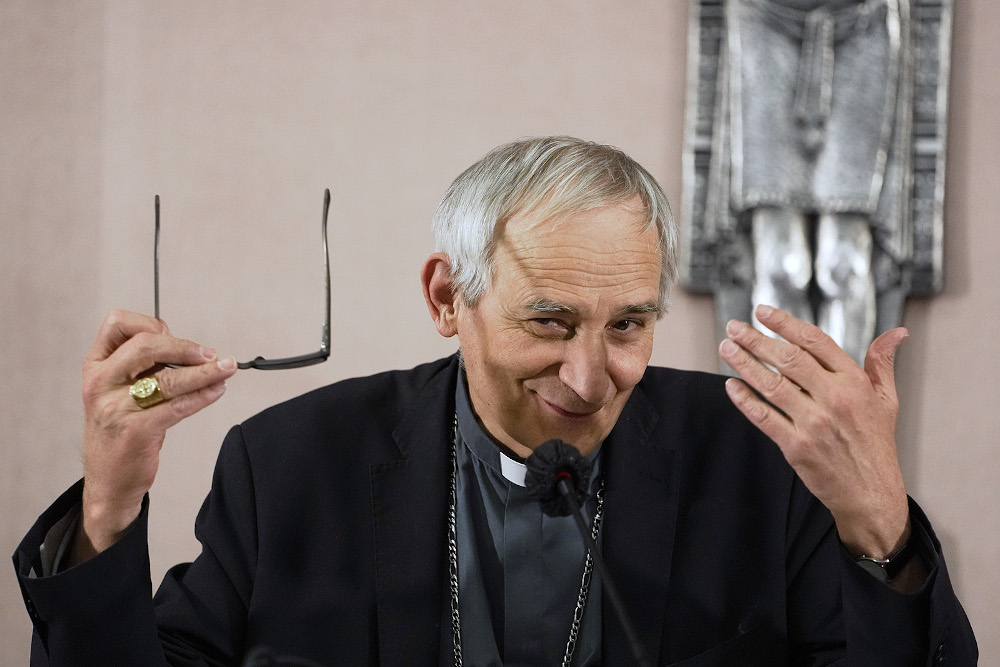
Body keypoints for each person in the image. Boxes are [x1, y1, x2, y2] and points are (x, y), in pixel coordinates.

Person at [14, 137, 976, 664]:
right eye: (552, 323)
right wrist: (107, 514)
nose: (592, 378)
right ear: (446, 297)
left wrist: (877, 520)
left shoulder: (758, 455)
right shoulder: (289, 461)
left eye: (630, 325)